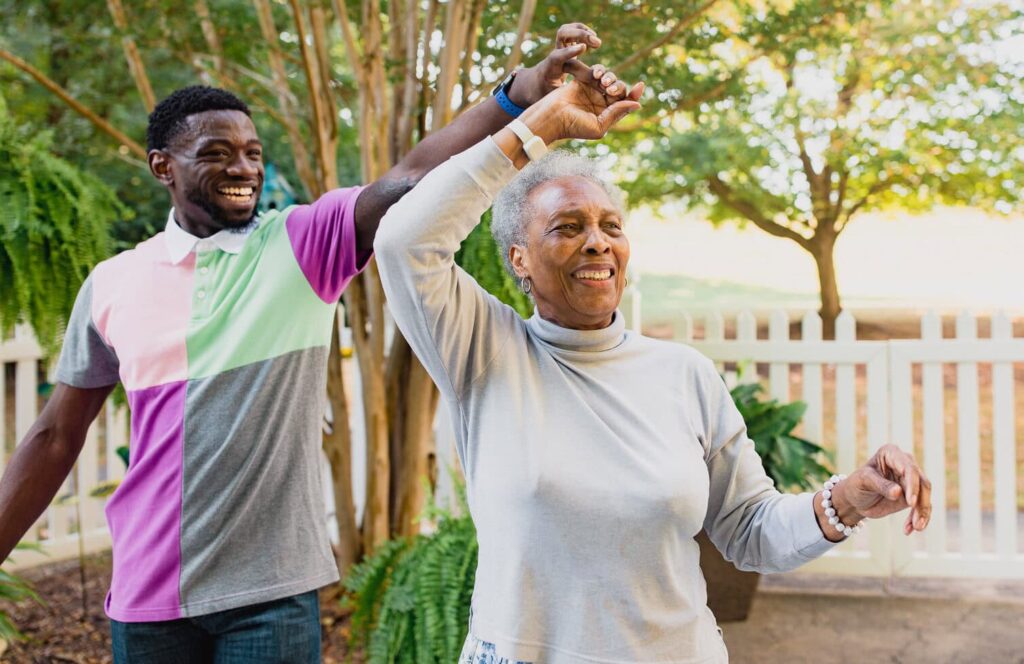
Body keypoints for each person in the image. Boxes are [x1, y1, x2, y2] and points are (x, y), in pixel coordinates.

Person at [0, 23, 611, 663]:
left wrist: (521, 96)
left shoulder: (299, 244)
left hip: (271, 599)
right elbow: (55, 437)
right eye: (216, 153)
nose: (243, 168)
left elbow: (411, 177)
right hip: (149, 600)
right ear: (163, 167)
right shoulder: (111, 284)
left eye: (253, 152)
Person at [374, 65, 933, 663]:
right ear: (519, 258)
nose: (597, 242)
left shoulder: (683, 374)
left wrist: (846, 499)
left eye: (610, 226)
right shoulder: (484, 351)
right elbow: (403, 241)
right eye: (567, 227)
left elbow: (749, 531)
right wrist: (539, 126)